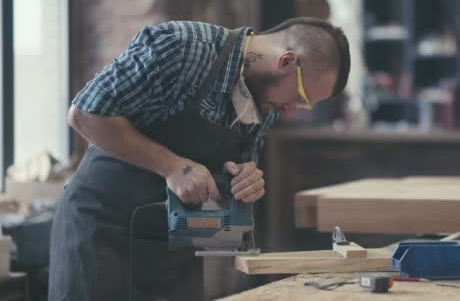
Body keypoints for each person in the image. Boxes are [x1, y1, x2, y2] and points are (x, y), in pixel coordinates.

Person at [48, 17, 351, 300]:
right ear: (286, 61)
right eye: (300, 99)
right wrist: (172, 166)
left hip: (173, 253)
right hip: (101, 235)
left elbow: (220, 224)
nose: (292, 110)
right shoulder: (180, 47)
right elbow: (85, 114)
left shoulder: (265, 105)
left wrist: (243, 187)